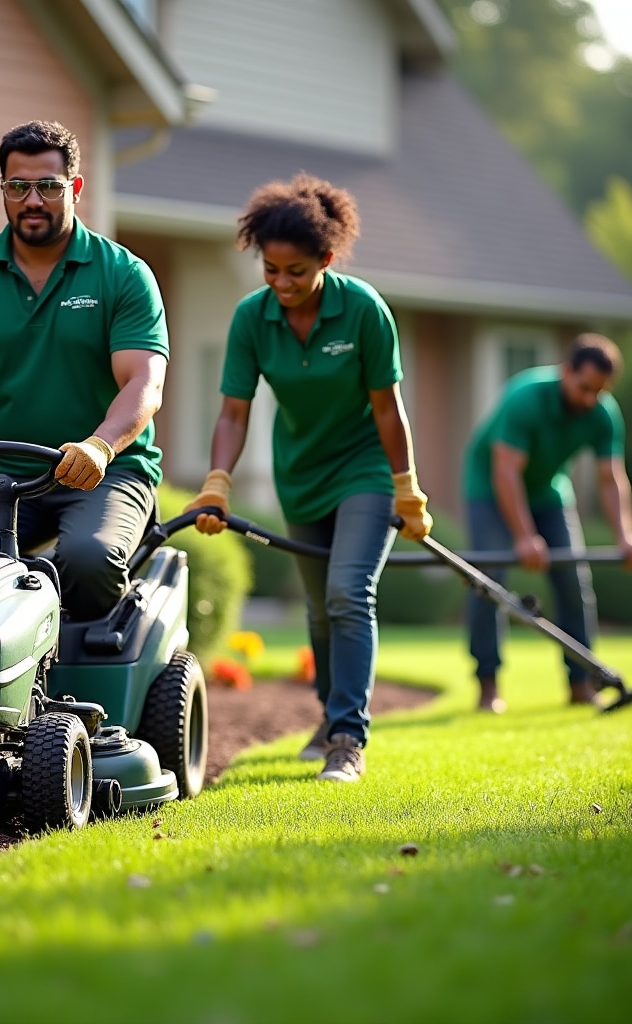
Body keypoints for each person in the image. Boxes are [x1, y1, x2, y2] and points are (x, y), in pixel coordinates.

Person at [185, 172, 432, 784]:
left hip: (366, 470)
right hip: (301, 475)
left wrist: (406, 485)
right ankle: (329, 715)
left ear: (325, 258)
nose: (282, 284)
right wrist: (218, 479)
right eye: (270, 269)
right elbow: (234, 411)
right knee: (320, 611)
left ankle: (348, 736)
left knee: (350, 593)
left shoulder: (363, 310)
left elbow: (386, 408)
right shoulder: (253, 319)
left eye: (295, 271)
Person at [0, 120, 169, 622]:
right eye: (17, 186)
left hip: (108, 472)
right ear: (2, 189)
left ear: (74, 188)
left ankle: (79, 679)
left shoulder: (123, 275)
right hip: (3, 472)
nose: (32, 200)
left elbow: (144, 381)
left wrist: (101, 445)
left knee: (87, 562)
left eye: (48, 186)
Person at [462, 334, 632, 712]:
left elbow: (610, 477)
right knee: (490, 579)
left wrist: (625, 535)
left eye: (598, 392)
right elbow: (505, 472)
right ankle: (488, 686)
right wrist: (524, 535)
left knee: (573, 579)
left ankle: (581, 683)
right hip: (489, 488)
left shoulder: (602, 413)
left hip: (548, 492)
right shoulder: (525, 398)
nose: (588, 399)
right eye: (583, 388)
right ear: (566, 371)